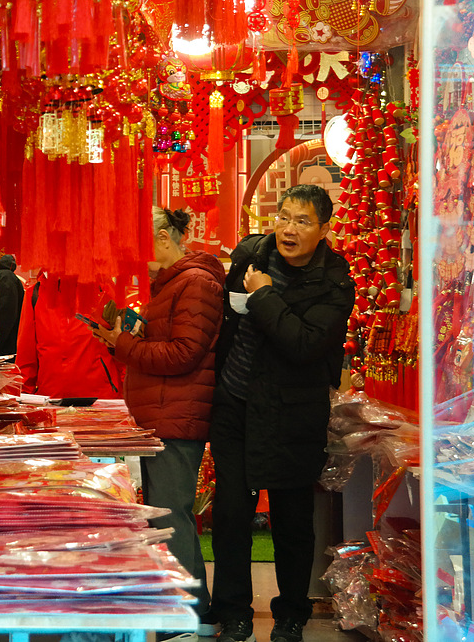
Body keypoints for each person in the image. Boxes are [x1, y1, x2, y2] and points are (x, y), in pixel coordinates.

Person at [209, 184, 355, 642]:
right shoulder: (249, 256)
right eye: (284, 217)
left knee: (292, 522)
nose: (289, 230)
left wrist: (264, 296)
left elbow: (305, 345)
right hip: (237, 404)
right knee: (231, 515)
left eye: (302, 221)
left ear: (324, 230)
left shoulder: (335, 283)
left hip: (294, 412)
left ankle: (291, 612)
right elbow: (227, 323)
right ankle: (232, 611)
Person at [92, 207, 225, 640]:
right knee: (165, 513)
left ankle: (186, 613)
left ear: (165, 237)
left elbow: (184, 353)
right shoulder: (172, 284)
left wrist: (125, 344)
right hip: (162, 413)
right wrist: (124, 338)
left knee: (171, 514)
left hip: (177, 414)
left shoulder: (196, 283)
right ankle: (181, 607)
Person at [16, 274, 123, 400]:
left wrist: (129, 392)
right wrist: (23, 398)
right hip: (51, 399)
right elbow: (26, 355)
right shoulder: (35, 294)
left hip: (101, 399)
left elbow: (121, 344)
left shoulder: (103, 288)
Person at [0, 254, 24, 359]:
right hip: (0, 351)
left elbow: (5, 317)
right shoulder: (3, 276)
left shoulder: (5, 277)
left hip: (2, 353)